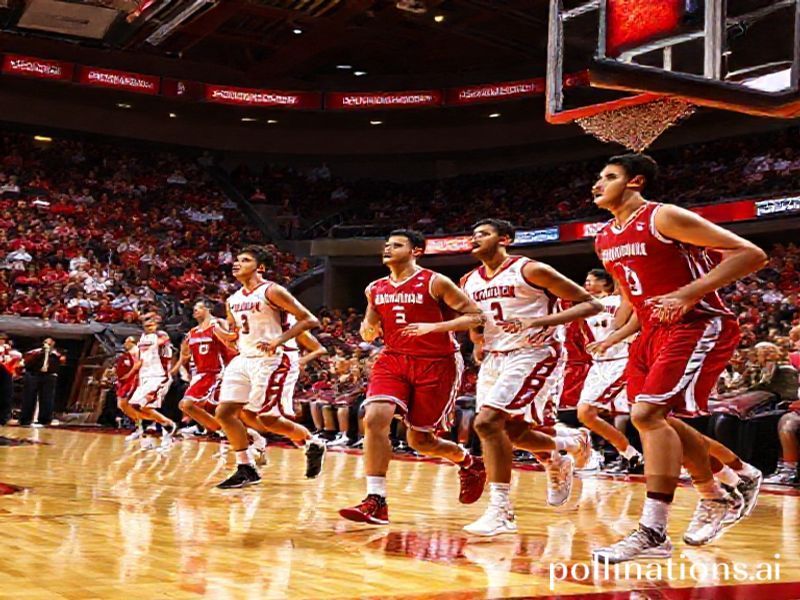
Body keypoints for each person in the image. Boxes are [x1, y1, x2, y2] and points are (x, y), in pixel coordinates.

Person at [590, 153, 767, 564]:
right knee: (654, 419)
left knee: (648, 416)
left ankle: (655, 529)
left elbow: (751, 254)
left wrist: (689, 293)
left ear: (635, 182)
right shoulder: (603, 238)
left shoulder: (663, 217)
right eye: (598, 177)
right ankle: (731, 478)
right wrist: (617, 336)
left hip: (698, 322)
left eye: (609, 177)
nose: (598, 184)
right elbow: (635, 299)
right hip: (652, 331)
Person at [459, 219, 601, 536]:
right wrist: (479, 342)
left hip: (535, 353)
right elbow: (475, 319)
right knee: (514, 432)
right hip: (496, 358)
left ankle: (501, 511)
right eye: (473, 233)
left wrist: (540, 321)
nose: (475, 237)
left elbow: (591, 304)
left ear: (505, 239)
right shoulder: (468, 280)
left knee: (486, 424)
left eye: (484, 233)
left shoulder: (530, 270)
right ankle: (566, 448)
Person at [338, 229, 486, 525]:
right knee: (375, 417)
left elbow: (476, 315)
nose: (388, 249)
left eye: (397, 245)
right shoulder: (375, 288)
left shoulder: (435, 282)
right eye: (386, 244)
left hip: (437, 362)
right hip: (394, 359)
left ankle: (469, 463)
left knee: (421, 441)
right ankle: (376, 499)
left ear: (416, 250)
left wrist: (433, 328)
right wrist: (367, 329)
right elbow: (370, 325)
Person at [212, 246, 326, 489]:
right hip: (245, 358)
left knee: (267, 418)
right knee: (224, 413)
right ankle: (245, 468)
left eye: (244, 260)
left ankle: (311, 442)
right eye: (236, 260)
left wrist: (278, 340)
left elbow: (309, 319)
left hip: (274, 358)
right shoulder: (232, 300)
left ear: (260, 267)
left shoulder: (272, 290)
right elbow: (236, 336)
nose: (236, 264)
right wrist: (222, 334)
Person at [578, 269, 644, 474]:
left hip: (620, 361)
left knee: (634, 414)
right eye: (585, 281)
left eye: (591, 281)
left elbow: (624, 314)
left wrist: (618, 272)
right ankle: (630, 455)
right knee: (587, 414)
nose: (586, 284)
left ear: (606, 284)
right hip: (599, 364)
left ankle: (638, 456)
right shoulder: (586, 305)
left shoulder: (619, 302)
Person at [127, 318, 177, 450]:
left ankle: (168, 426)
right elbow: (137, 356)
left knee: (146, 405)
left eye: (151, 325)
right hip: (145, 376)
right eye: (146, 325)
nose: (148, 327)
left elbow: (162, 342)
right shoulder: (143, 338)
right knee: (134, 406)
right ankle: (163, 424)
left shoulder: (161, 335)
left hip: (159, 376)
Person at [20, 337, 66, 427]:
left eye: (49, 343)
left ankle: (45, 420)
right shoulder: (34, 352)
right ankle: (26, 419)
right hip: (34, 375)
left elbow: (62, 362)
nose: (47, 345)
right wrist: (41, 353)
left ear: (53, 344)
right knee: (29, 397)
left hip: (49, 376)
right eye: (45, 343)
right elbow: (27, 362)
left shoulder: (56, 354)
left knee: (47, 398)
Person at [113, 336, 142, 440]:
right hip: (126, 381)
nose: (125, 344)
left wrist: (129, 375)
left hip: (134, 380)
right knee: (121, 405)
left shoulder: (137, 351)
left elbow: (138, 365)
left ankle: (139, 427)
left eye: (126, 342)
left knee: (128, 404)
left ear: (131, 342)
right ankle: (138, 425)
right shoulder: (126, 355)